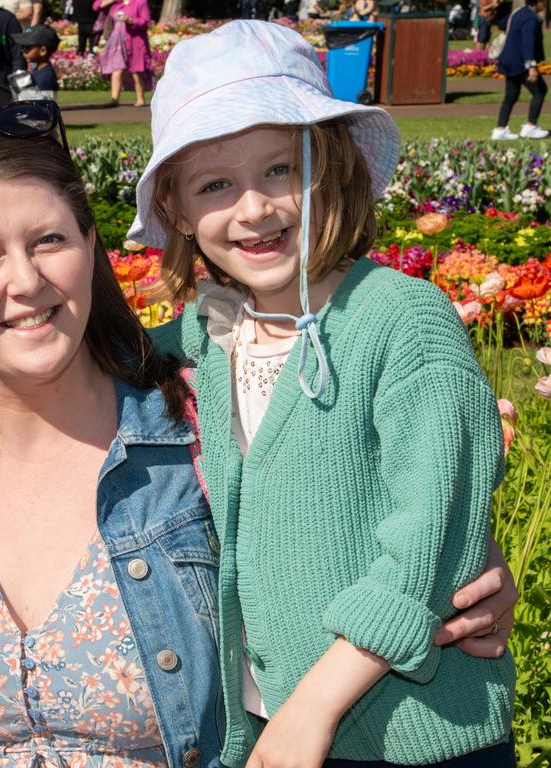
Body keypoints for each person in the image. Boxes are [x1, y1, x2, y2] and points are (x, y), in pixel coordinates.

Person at [0, 101, 519, 768]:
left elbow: (375, 500)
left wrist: (464, 558)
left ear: (92, 249)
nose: (27, 281)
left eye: (49, 241)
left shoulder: (201, 422)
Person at [129, 22, 515, 768]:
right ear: (176, 211)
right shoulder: (199, 339)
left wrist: (315, 704)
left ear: (332, 168)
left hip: (410, 732)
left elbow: (428, 537)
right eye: (215, 185)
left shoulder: (401, 319)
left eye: (280, 169)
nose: (253, 209)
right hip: (266, 722)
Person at [492, 0, 548, 140]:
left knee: (511, 95)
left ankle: (500, 129)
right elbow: (527, 43)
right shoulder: (530, 18)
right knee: (540, 91)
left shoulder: (518, 13)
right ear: (538, 2)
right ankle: (530, 126)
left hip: (508, 60)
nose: (546, 4)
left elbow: (502, 24)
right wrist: (531, 67)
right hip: (520, 62)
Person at [94, 0, 151, 106]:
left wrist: (130, 20)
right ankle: (114, 99)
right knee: (117, 68)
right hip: (117, 42)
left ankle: (140, 98)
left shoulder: (140, 2)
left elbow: (146, 21)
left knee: (136, 70)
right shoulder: (117, 4)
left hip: (134, 41)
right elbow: (96, 6)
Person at [12, 23, 59, 99]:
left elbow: (46, 105)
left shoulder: (46, 76)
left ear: (42, 51)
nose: (23, 50)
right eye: (22, 47)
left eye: (27, 47)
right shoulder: (38, 70)